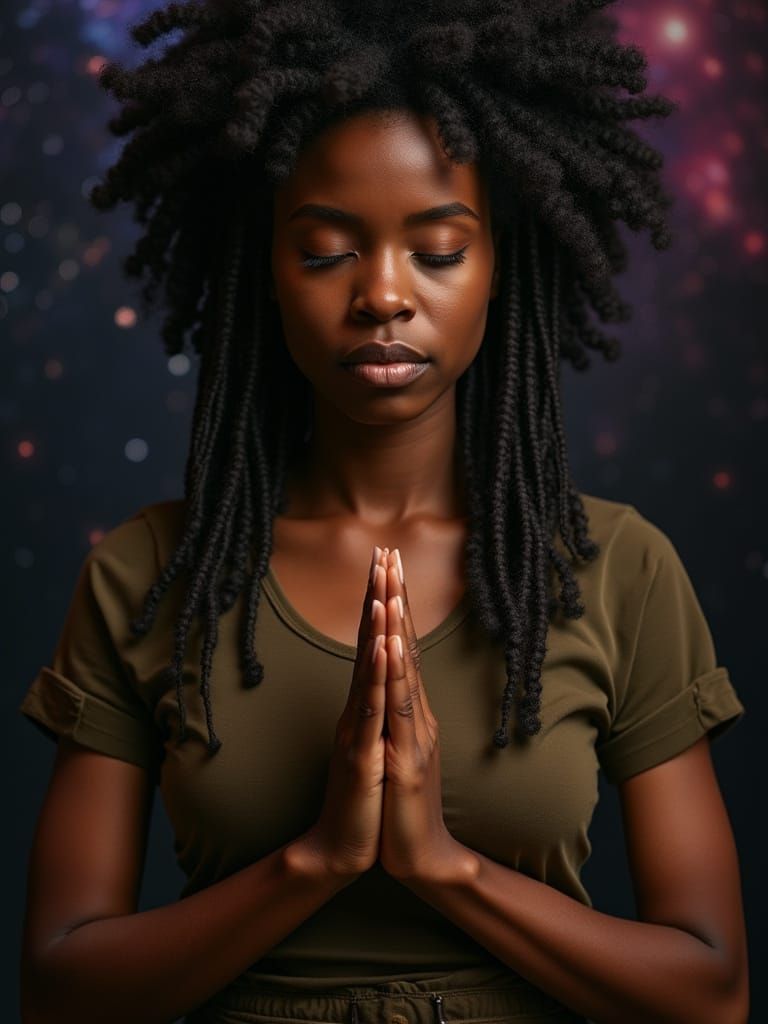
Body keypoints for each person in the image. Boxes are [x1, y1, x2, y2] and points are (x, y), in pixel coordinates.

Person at [18, 2, 749, 1022]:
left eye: (440, 250)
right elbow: (60, 988)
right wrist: (315, 862)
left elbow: (710, 992)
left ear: (502, 266)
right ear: (262, 273)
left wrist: (445, 869)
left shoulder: (617, 568)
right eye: (324, 250)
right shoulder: (150, 574)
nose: (383, 296)